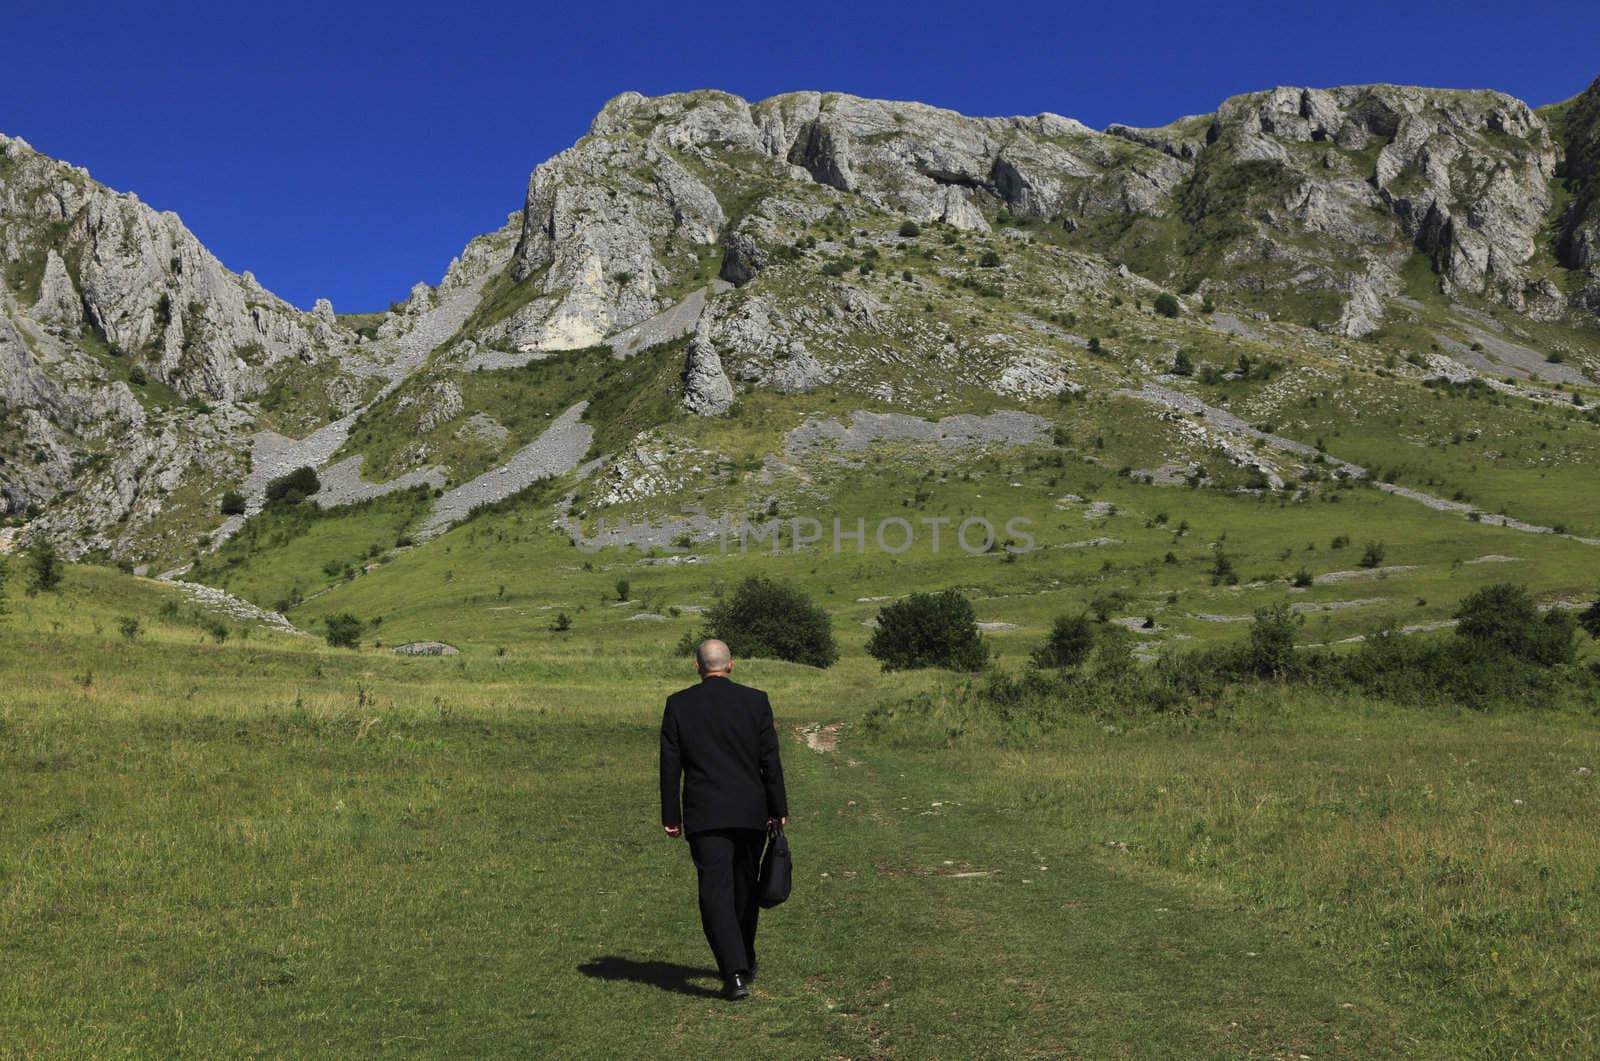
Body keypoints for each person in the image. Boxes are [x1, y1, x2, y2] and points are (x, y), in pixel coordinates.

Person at [659, 639, 788, 1001]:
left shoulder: (678, 704)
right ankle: (744, 960)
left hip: (705, 813)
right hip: (751, 810)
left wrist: (671, 815)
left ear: (698, 667)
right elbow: (770, 761)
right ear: (731, 665)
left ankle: (733, 973)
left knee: (715, 891)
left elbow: (671, 766)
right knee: (746, 887)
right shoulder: (755, 701)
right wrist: (778, 807)